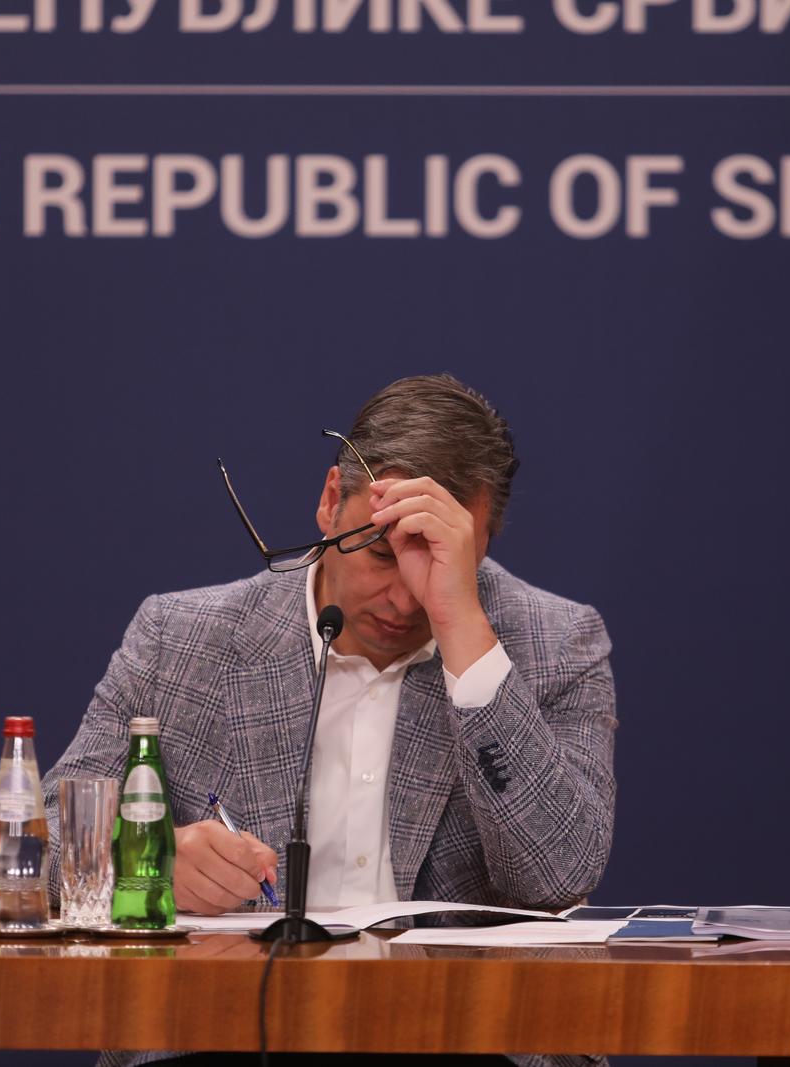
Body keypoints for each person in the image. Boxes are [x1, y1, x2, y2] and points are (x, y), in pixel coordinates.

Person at [43, 374, 617, 1067]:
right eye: (380, 552)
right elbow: (50, 849)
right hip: (221, 1034)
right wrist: (151, 864)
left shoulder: (557, 642)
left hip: (461, 1040)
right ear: (328, 501)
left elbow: (560, 874)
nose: (406, 598)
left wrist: (463, 624)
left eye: (441, 557)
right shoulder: (179, 636)